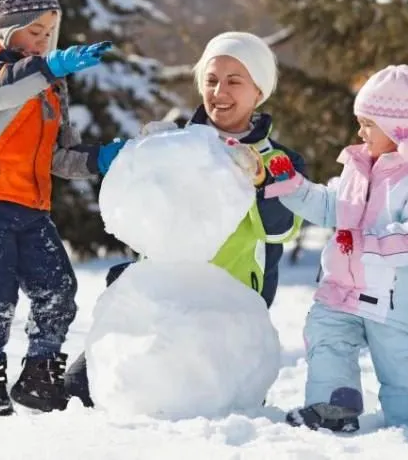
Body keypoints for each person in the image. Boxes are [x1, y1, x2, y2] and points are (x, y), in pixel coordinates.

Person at [64, 31, 306, 408]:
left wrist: (260, 181)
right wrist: (144, 160)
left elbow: (281, 229)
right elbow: (138, 213)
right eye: (211, 80)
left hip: (227, 305)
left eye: (234, 81)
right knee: (80, 389)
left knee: (209, 403)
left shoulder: (280, 161)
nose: (219, 91)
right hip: (161, 298)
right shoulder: (177, 142)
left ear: (259, 91)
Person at [0, 0, 125, 416]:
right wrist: (51, 65)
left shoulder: (49, 87)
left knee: (58, 288)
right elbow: (1, 91)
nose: (43, 42)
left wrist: (102, 158)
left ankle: (41, 371)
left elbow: (60, 156)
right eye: (32, 31)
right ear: (5, 30)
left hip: (31, 204)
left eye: (49, 33)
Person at [264, 65, 408, 432]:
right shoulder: (358, 167)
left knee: (400, 371)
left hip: (396, 307)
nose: (360, 131)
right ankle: (333, 406)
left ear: (397, 128)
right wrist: (292, 186)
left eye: (368, 123)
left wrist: (363, 244)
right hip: (344, 290)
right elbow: (330, 206)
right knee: (325, 336)